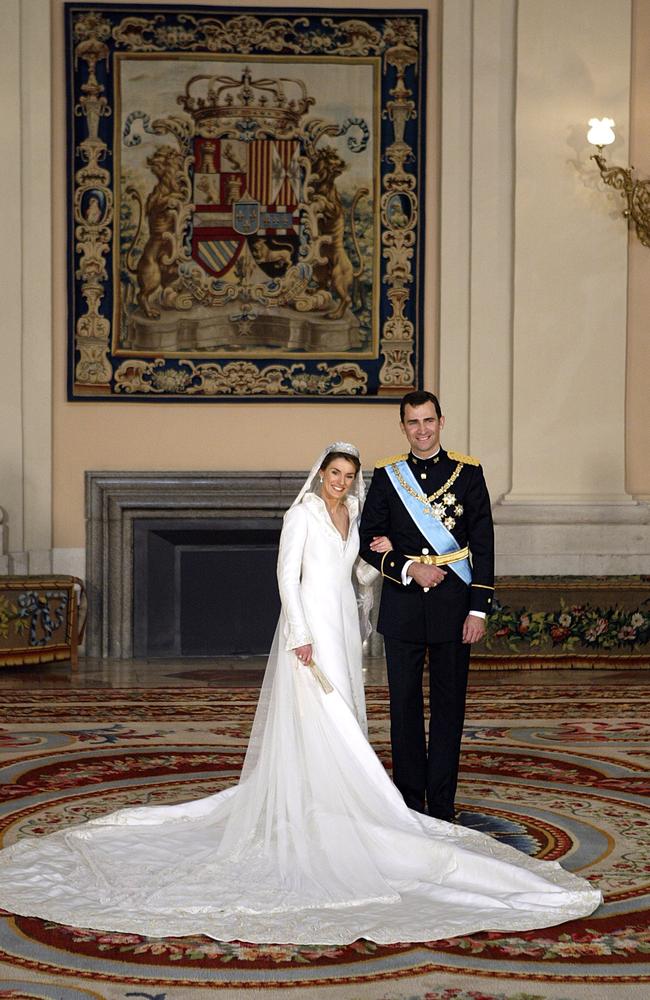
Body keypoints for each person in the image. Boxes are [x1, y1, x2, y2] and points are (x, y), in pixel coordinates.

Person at [0, 443, 601, 944]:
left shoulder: (352, 516)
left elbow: (359, 571)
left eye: (347, 477)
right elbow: (286, 575)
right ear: (320, 475)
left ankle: (338, 800)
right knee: (324, 714)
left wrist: (386, 557)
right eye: (333, 474)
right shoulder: (303, 514)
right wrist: (301, 635)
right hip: (312, 626)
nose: (339, 483)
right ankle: (330, 801)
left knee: (346, 711)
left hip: (342, 622)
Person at [360, 390, 494, 822]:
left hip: (456, 604)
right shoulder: (387, 475)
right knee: (403, 707)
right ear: (403, 427)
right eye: (413, 422)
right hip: (402, 606)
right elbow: (367, 540)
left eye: (428, 421)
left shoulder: (468, 473)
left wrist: (479, 609)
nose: (422, 430)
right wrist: (408, 567)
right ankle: (409, 803)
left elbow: (484, 544)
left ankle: (441, 804)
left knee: (449, 705)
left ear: (441, 421)